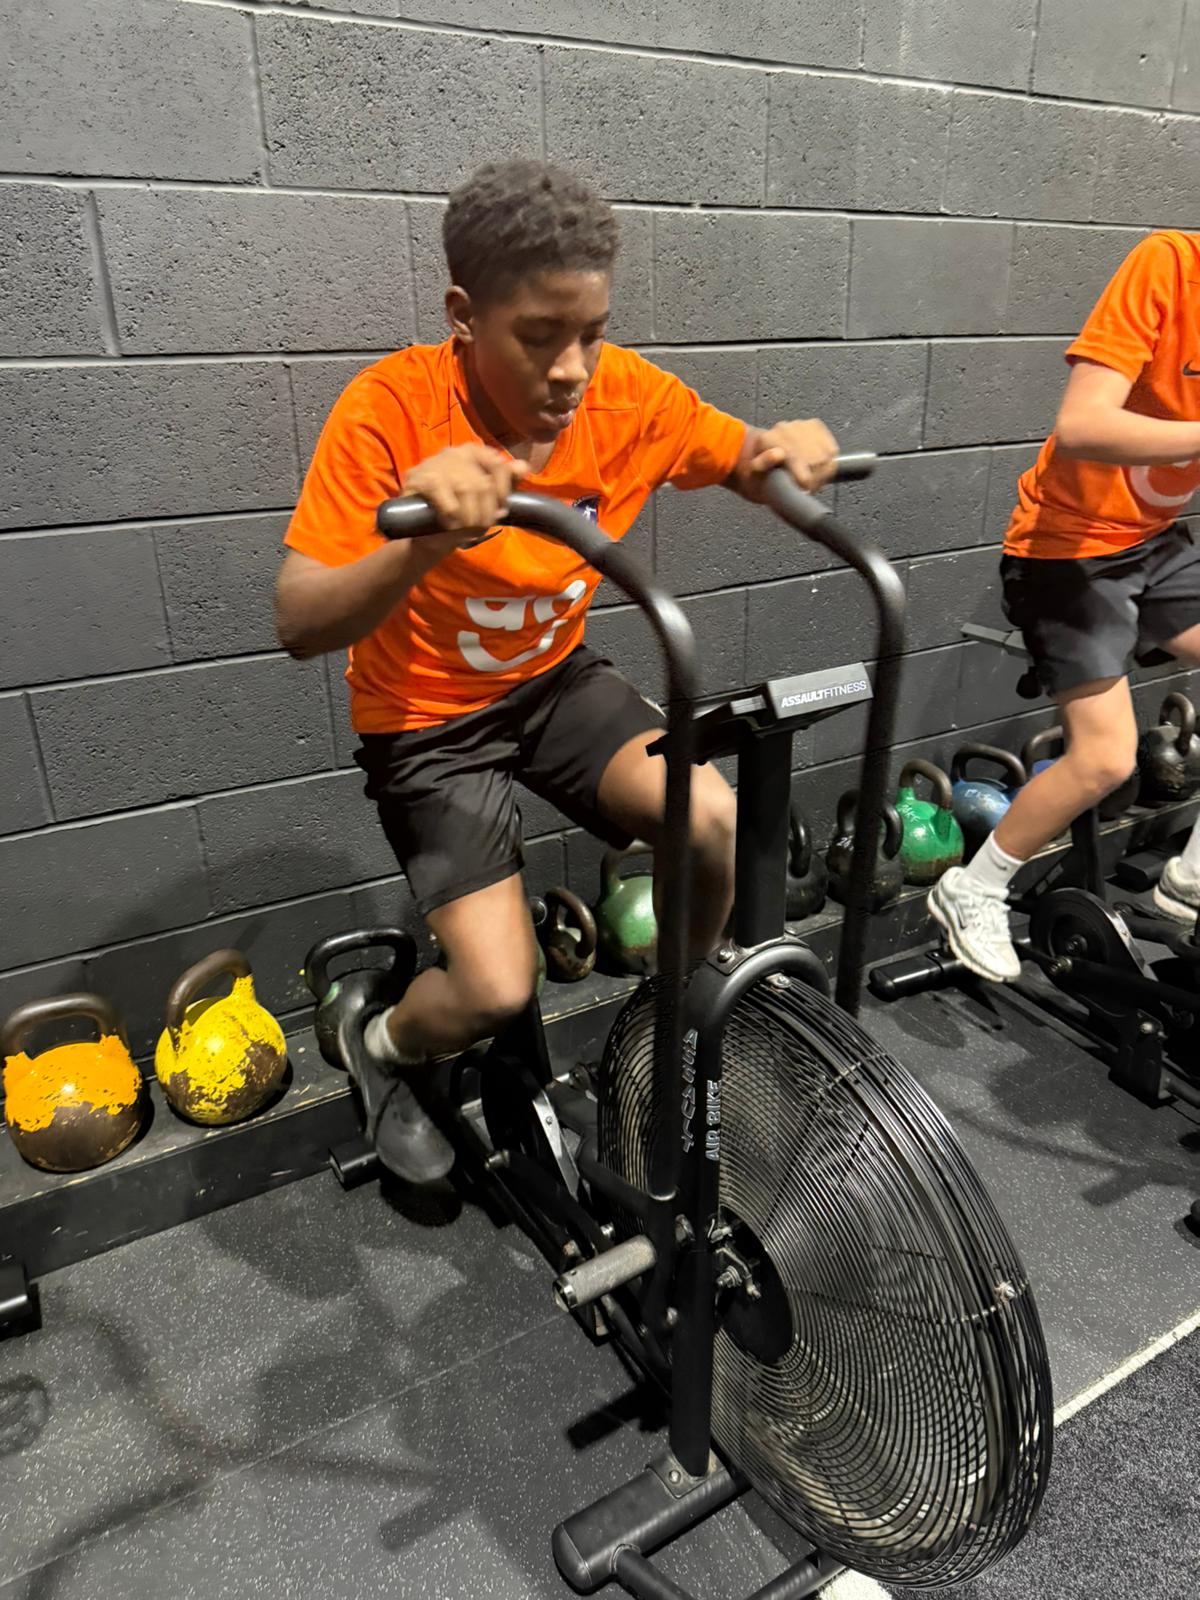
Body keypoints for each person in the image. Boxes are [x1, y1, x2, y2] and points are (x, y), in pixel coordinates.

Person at [275, 160, 839, 1181]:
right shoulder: (391, 410)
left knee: (709, 819)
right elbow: (299, 621)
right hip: (429, 722)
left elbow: (741, 455)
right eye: (540, 336)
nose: (573, 368)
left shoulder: (628, 398)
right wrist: (419, 546)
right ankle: (381, 1042)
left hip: (553, 685)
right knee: (495, 990)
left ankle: (671, 1034)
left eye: (593, 333)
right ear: (463, 316)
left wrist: (784, 449)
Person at [930, 230, 1200, 982]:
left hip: (1153, 541)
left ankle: (1188, 881)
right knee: (1106, 757)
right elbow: (1083, 426)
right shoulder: (1171, 265)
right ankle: (973, 887)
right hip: (1064, 549)